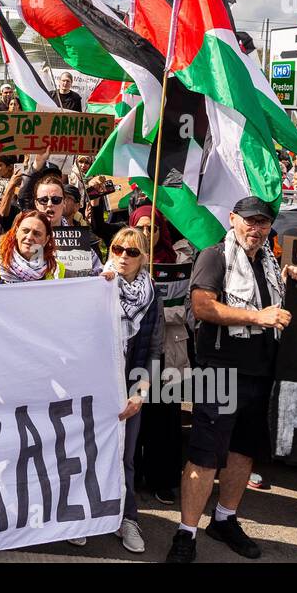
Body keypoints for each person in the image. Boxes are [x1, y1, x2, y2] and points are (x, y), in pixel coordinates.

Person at [166, 196, 297, 564]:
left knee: (243, 453)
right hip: (219, 370)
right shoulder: (215, 256)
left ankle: (225, 520)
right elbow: (202, 306)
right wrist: (256, 318)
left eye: (263, 223)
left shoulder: (270, 262)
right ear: (232, 219)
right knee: (205, 456)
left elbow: (275, 307)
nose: (256, 229)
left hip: (261, 372)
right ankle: (186, 533)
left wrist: (294, 281)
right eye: (249, 221)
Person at [72, 226, 161, 553]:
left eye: (132, 252)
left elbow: (154, 349)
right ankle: (81, 516)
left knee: (125, 458)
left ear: (143, 259)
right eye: (117, 249)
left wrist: (140, 392)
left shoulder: (151, 295)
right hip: (92, 387)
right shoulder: (95, 285)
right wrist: (97, 292)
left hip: (127, 389)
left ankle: (128, 519)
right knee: (86, 451)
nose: (123, 256)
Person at [132, 205, 192, 506]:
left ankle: (164, 480)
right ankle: (133, 474)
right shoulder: (125, 258)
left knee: (165, 418)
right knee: (134, 414)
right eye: (141, 227)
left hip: (169, 349)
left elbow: (190, 310)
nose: (146, 233)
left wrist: (156, 312)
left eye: (152, 228)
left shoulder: (180, 261)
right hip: (135, 352)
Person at [0, 210, 65, 283]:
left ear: (46, 240)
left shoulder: (56, 269)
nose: (29, 237)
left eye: (37, 234)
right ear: (16, 232)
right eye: (25, 231)